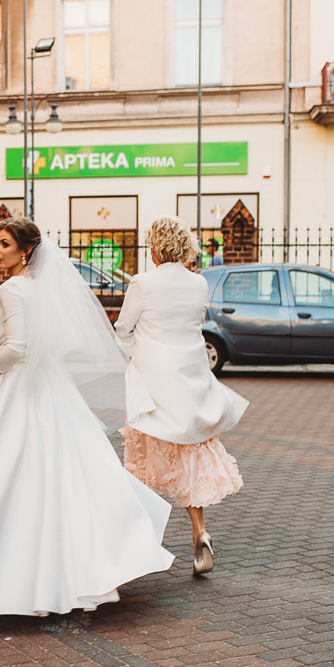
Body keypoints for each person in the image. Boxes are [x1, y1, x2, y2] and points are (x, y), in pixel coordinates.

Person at [0, 218, 175, 616]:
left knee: (8, 480)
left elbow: (15, 349)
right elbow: (54, 340)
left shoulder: (13, 288)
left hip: (16, 391)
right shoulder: (40, 288)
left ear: (26, 250)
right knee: (56, 476)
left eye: (3, 244)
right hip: (47, 388)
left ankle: (6, 576)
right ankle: (61, 569)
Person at [116, 217, 248, 576]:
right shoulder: (198, 282)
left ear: (155, 247)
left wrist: (125, 349)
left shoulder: (142, 283)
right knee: (189, 455)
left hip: (151, 381)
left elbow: (124, 328)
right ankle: (200, 532)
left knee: (142, 460)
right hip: (190, 378)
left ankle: (139, 538)